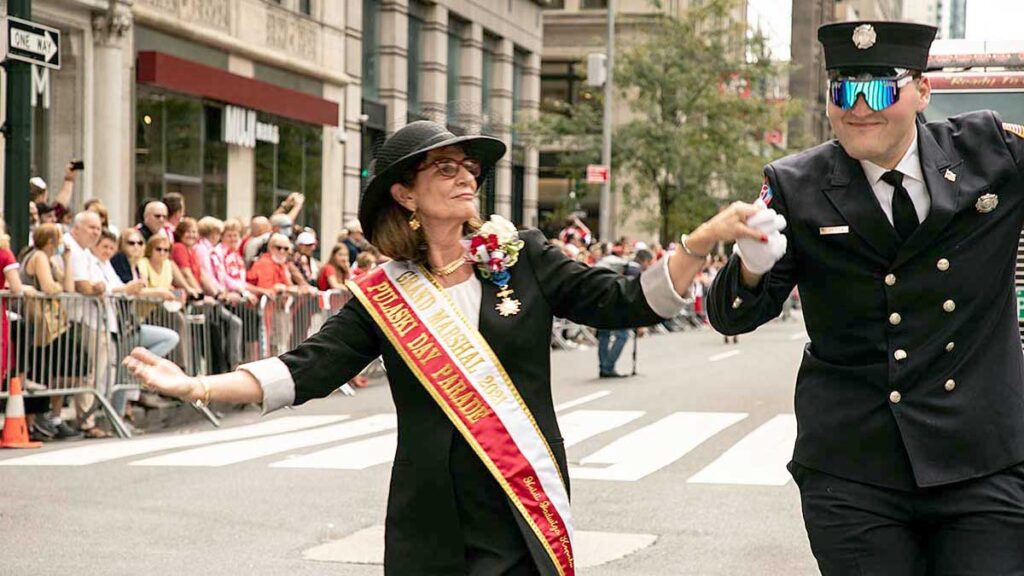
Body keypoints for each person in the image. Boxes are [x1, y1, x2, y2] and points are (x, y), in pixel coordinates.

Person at [125, 120, 762, 576]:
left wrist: (701, 240)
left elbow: (627, 301)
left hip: (518, 500)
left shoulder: (525, 256)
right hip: (428, 510)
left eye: (470, 169)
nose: (466, 179)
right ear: (405, 194)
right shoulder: (384, 294)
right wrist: (196, 386)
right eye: (446, 169)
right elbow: (309, 368)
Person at [707, 21, 1024, 575]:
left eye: (878, 88)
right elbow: (734, 314)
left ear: (923, 91)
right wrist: (752, 267)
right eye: (841, 89)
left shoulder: (991, 150)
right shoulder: (794, 183)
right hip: (853, 469)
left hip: (981, 458)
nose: (858, 106)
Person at [20, 224, 84, 440]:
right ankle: (36, 420)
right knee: (40, 371)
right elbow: (50, 287)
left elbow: (68, 287)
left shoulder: (49, 260)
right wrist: (55, 286)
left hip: (52, 325)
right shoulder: (37, 256)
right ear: (50, 241)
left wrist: (66, 261)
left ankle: (49, 416)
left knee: (60, 369)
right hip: (38, 325)